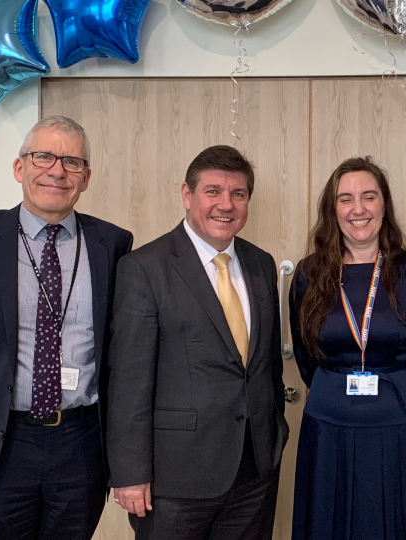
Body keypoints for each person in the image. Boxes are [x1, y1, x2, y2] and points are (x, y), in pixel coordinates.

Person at [0, 116, 133, 540]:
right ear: (19, 167)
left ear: (86, 177)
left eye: (71, 161)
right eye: (43, 156)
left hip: (80, 443)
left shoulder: (114, 244)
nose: (57, 170)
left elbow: (117, 345)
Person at [106, 145, 287, 540]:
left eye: (238, 194)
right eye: (212, 191)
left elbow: (266, 362)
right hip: (174, 480)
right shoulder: (144, 268)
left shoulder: (260, 263)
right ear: (187, 195)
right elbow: (129, 382)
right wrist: (130, 474)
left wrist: (276, 433)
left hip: (254, 471)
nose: (226, 204)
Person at [289, 156, 406, 540]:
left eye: (368, 197)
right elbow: (307, 353)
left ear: (384, 205)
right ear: (332, 209)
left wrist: (392, 377)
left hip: (403, 426)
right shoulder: (309, 274)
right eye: (345, 199)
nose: (358, 209)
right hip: (329, 429)